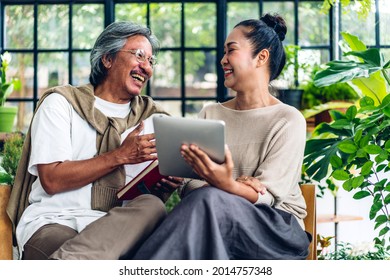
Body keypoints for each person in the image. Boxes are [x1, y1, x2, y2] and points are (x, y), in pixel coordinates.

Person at [132, 13, 311, 260]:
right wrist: (228, 184)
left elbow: (266, 197)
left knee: (210, 198)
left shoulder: (288, 119)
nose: (223, 60)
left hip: (275, 229)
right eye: (224, 52)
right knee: (208, 199)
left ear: (261, 57)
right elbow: (190, 185)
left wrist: (222, 183)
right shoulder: (211, 112)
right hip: (214, 215)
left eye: (231, 51)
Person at [6, 21, 182, 260]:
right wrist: (119, 155)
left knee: (153, 206)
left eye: (151, 61)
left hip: (118, 231)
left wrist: (162, 186)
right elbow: (52, 180)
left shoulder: (155, 119)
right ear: (107, 59)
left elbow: (141, 191)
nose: (147, 68)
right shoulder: (61, 104)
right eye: (139, 55)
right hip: (55, 223)